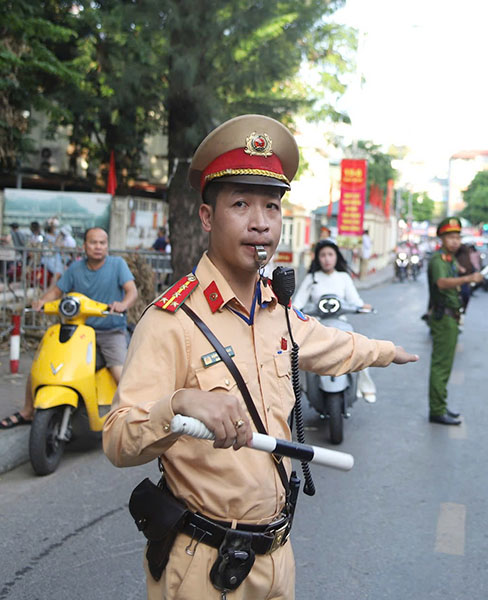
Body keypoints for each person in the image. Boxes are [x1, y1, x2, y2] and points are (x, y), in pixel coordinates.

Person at [102, 114, 418, 599]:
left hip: (276, 554)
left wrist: (385, 351)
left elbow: (330, 344)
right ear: (207, 217)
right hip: (203, 566)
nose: (260, 223)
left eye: (272, 206)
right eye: (241, 204)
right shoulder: (173, 321)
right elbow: (119, 439)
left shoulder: (278, 310)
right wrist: (181, 403)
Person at [0, 227, 138, 429]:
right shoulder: (75, 268)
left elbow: (131, 291)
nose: (98, 247)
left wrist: (123, 304)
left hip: (110, 330)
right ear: (84, 246)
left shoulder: (118, 265)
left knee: (119, 371)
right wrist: (40, 302)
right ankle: (28, 411)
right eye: (93, 242)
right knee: (42, 366)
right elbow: (56, 291)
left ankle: (133, 415)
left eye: (102, 243)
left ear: (107, 245)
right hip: (79, 330)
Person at [293, 238, 377, 402]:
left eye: (330, 254)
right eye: (322, 255)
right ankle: (301, 387)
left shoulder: (344, 277)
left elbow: (355, 301)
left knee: (358, 347)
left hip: (341, 324)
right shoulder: (312, 278)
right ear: (317, 258)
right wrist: (292, 311)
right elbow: (298, 303)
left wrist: (363, 306)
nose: (326, 259)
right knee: (300, 353)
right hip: (317, 325)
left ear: (336, 257)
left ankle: (365, 387)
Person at [427, 217, 482, 425]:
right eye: (450, 237)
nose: (455, 241)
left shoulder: (450, 259)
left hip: (451, 316)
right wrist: (467, 279)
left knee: (445, 366)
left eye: (458, 237)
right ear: (442, 238)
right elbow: (441, 283)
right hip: (444, 317)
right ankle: (437, 410)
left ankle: (440, 406)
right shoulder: (438, 260)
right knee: (441, 366)